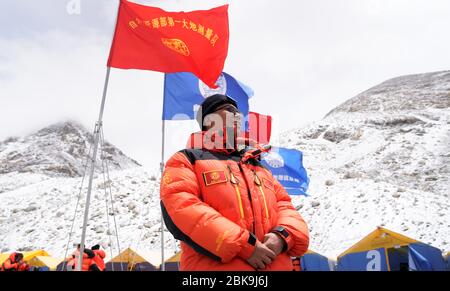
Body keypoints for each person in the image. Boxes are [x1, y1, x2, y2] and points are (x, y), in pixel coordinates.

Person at [160, 94, 309, 271]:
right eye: (230, 111)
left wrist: (283, 236)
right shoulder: (187, 160)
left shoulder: (259, 166)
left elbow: (285, 206)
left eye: (238, 112)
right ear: (209, 120)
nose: (237, 116)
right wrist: (245, 246)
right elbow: (180, 206)